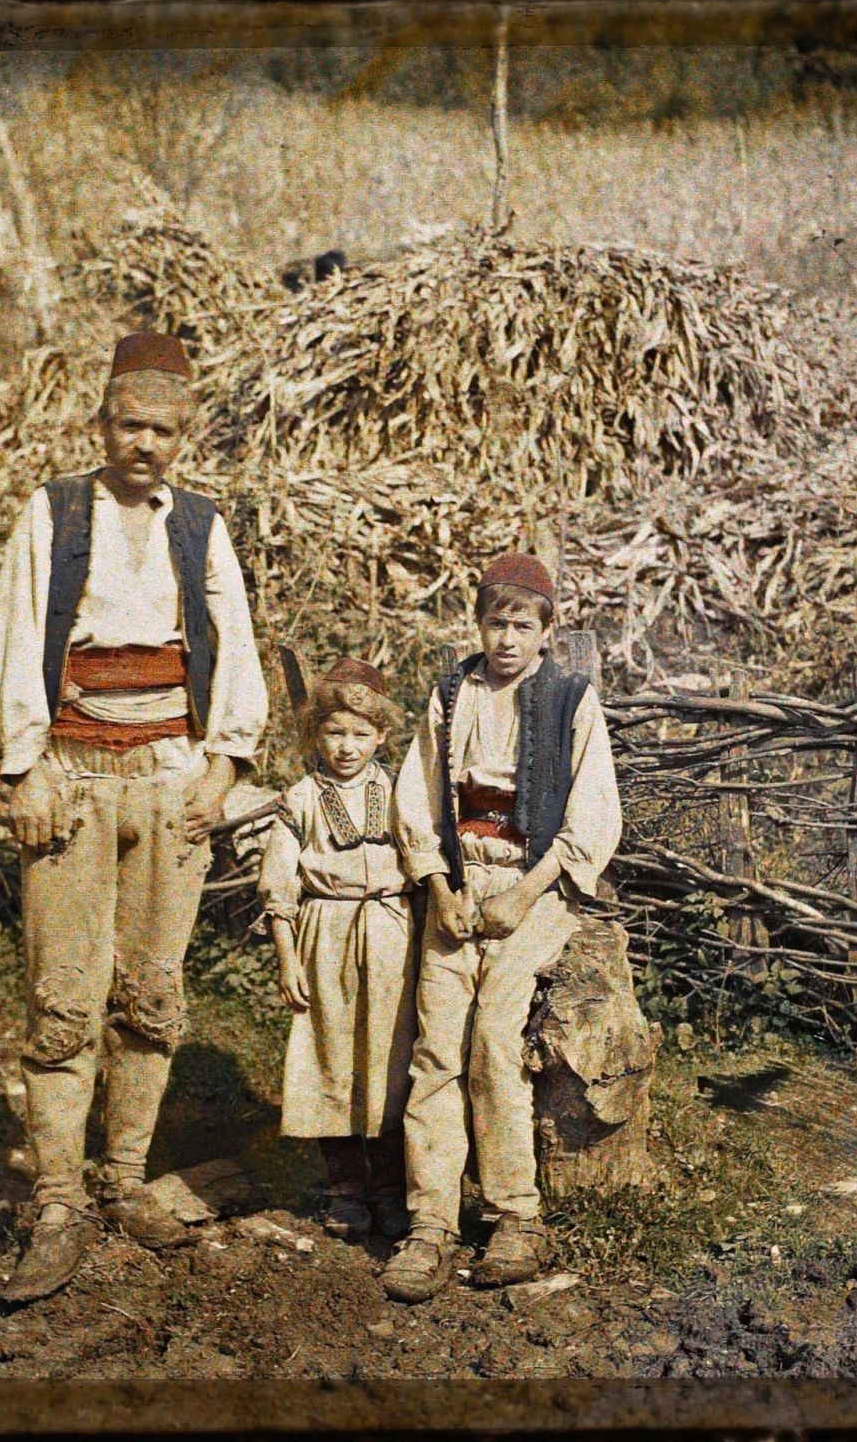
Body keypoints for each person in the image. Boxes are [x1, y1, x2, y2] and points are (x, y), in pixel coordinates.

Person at [0, 331, 268, 1303]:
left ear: (182, 437)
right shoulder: (52, 514)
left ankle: (126, 1180)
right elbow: (13, 638)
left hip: (168, 780)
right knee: (63, 998)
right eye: (129, 423)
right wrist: (24, 769)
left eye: (163, 429)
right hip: (71, 778)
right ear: (101, 422)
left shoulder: (199, 525)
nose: (145, 442)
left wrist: (223, 763)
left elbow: (233, 642)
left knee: (150, 993)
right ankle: (57, 1201)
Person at [382, 554, 622, 1303]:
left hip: (532, 889)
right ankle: (429, 1224)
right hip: (460, 885)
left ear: (548, 630)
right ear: (478, 623)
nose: (507, 638)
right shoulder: (452, 694)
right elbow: (417, 797)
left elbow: (592, 815)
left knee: (492, 1040)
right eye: (496, 622)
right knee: (435, 1050)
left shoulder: (568, 700)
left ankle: (516, 1213)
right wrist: (437, 884)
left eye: (523, 624)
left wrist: (523, 894)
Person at [256, 659, 415, 1242]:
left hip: (392, 930)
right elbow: (278, 885)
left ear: (380, 736)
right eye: (334, 733)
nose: (347, 748)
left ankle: (392, 1188)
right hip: (325, 933)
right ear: (315, 735)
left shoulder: (401, 791)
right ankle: (346, 1188)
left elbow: (424, 859)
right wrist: (287, 956)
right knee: (332, 1057)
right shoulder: (299, 799)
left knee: (391, 1058)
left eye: (360, 734)